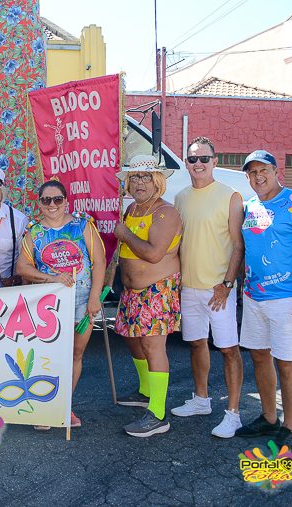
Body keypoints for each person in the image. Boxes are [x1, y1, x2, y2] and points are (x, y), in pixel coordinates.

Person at [236, 150, 292, 449]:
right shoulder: (249, 206)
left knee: (286, 362)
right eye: (252, 172)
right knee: (259, 356)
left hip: (287, 298)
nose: (258, 177)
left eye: (264, 170)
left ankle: (290, 426)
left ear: (276, 172)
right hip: (253, 295)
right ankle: (269, 417)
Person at [170, 137, 245, 439]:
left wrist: (227, 284)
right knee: (196, 343)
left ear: (215, 161)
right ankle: (201, 400)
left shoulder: (231, 196)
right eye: (192, 159)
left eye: (204, 158)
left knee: (228, 349)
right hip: (189, 288)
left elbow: (238, 246)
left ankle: (233, 414)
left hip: (218, 291)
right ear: (186, 163)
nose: (198, 164)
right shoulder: (181, 198)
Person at [16, 180, 105, 429]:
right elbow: (22, 267)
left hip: (82, 300)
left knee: (76, 353)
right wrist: (52, 278)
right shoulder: (34, 232)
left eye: (57, 199)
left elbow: (99, 261)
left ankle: (64, 405)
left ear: (66, 201)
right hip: (48, 304)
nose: (52, 205)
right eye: (46, 200)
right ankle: (45, 407)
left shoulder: (83, 225)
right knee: (49, 355)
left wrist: (95, 297)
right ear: (39, 204)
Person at [113, 155, 182, 437]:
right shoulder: (132, 209)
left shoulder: (166, 213)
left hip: (157, 289)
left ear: (157, 182)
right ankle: (145, 391)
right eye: (134, 178)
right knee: (132, 339)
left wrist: (125, 234)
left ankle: (157, 413)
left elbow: (154, 254)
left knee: (153, 347)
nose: (139, 183)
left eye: (145, 177)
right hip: (131, 291)